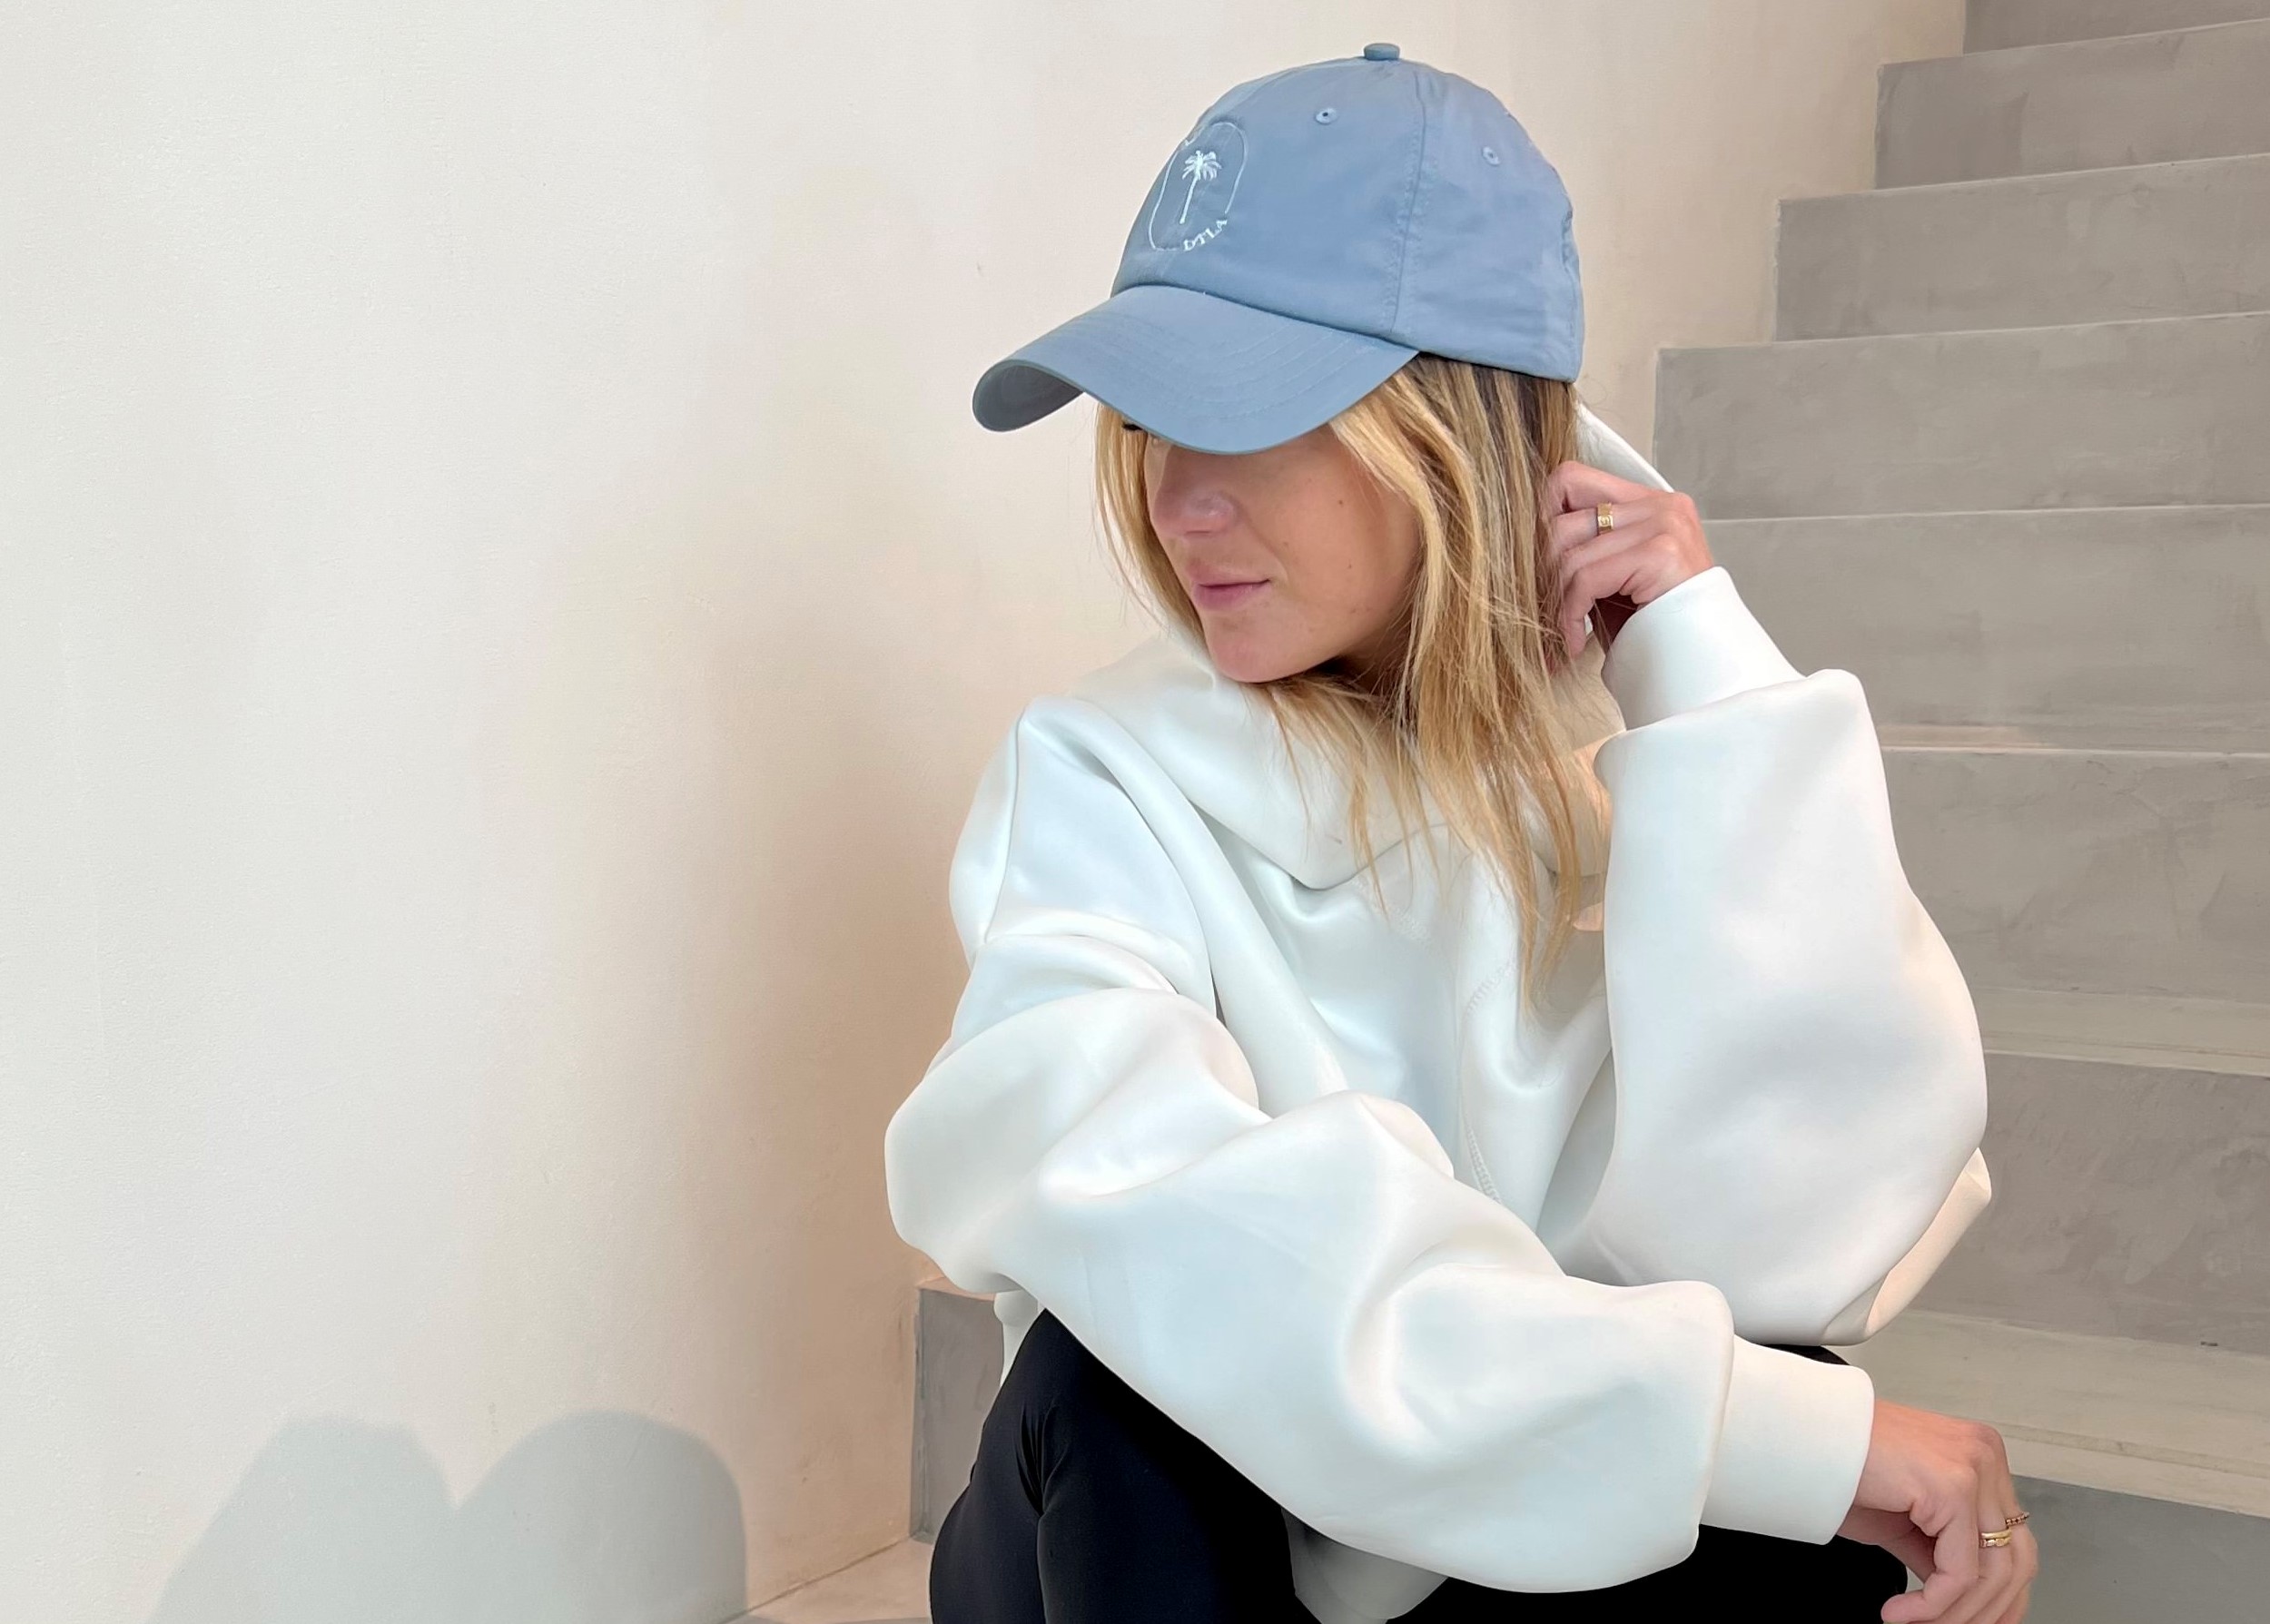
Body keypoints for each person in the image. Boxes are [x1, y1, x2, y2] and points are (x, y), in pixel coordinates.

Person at [884, 42, 2038, 1624]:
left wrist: (1708, 676)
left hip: (1481, 1518)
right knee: (1126, 1381)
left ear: (1449, 435)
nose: (1176, 501)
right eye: (1152, 419)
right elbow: (1161, 1221)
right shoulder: (1096, 770)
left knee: (1797, 1466)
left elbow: (1802, 1239)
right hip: (1151, 1535)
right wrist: (1751, 1432)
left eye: (1247, 419)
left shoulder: (1627, 758)